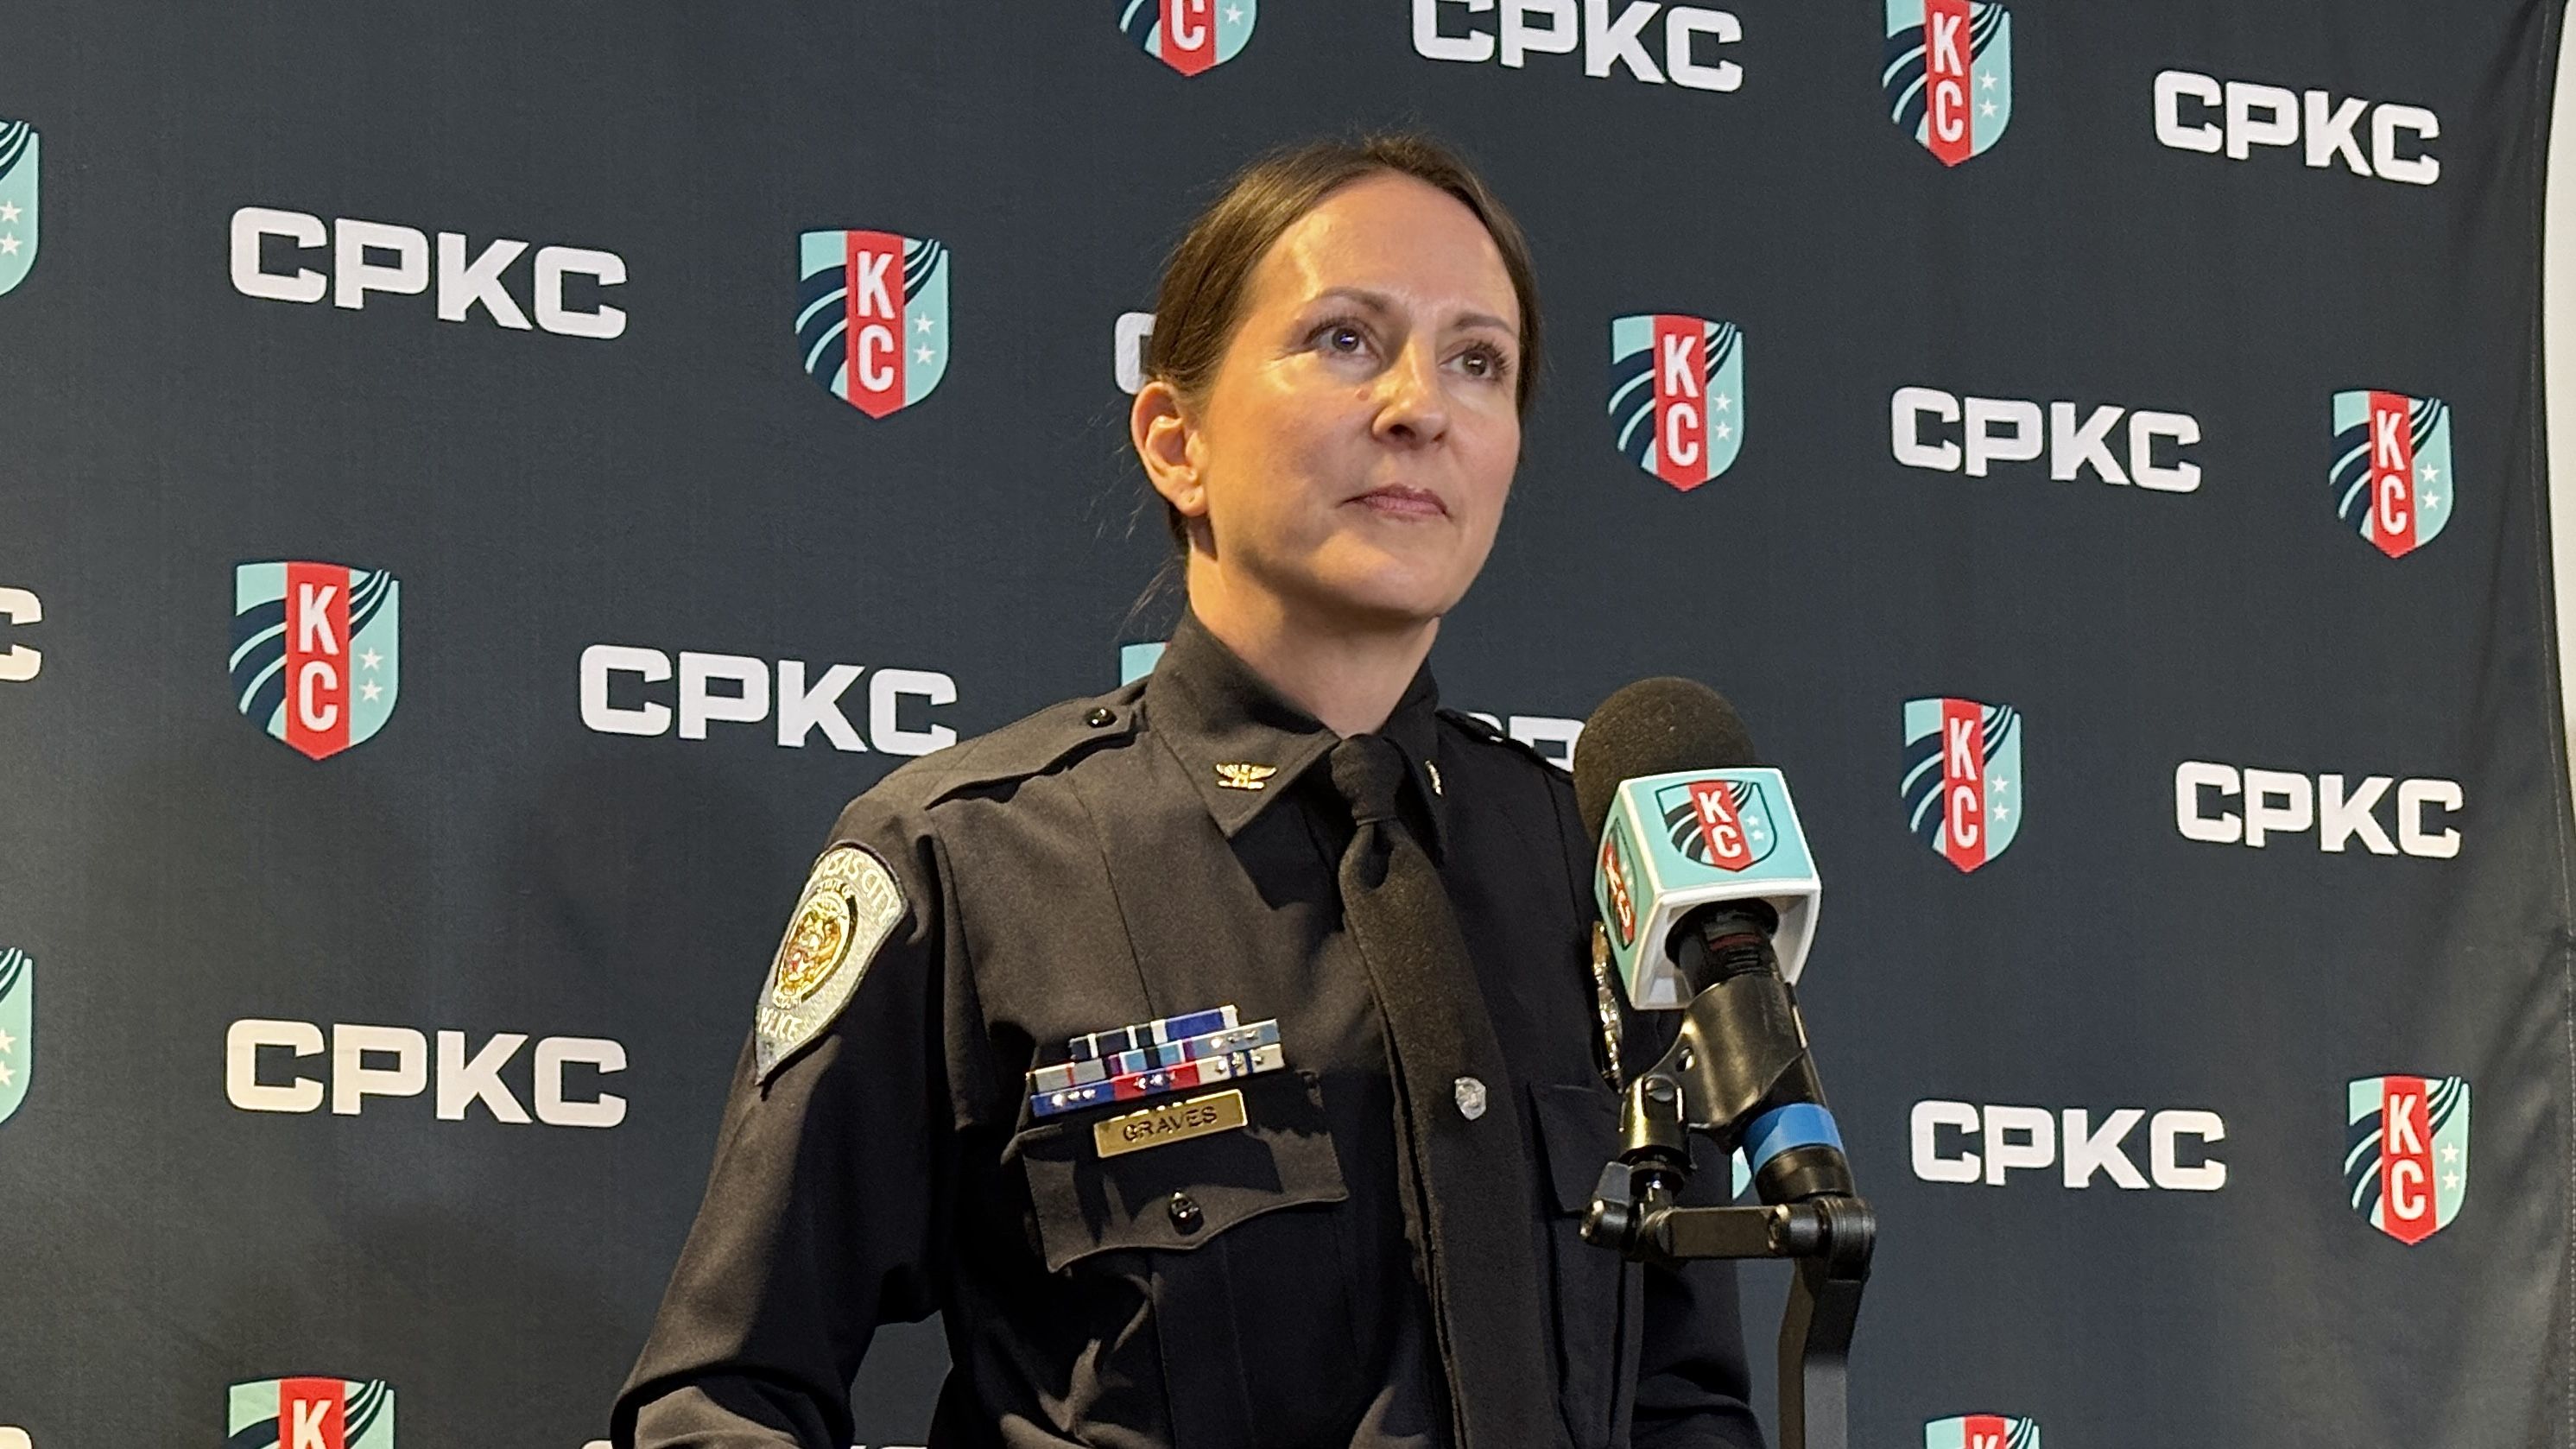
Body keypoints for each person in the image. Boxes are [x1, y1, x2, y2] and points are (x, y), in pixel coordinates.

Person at [611, 132, 1764, 1449]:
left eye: (1478, 360)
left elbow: (1684, 1398)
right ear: (1175, 439)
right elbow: (721, 1401)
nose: (1419, 405)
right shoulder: (969, 861)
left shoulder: (1600, 863)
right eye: (1345, 338)